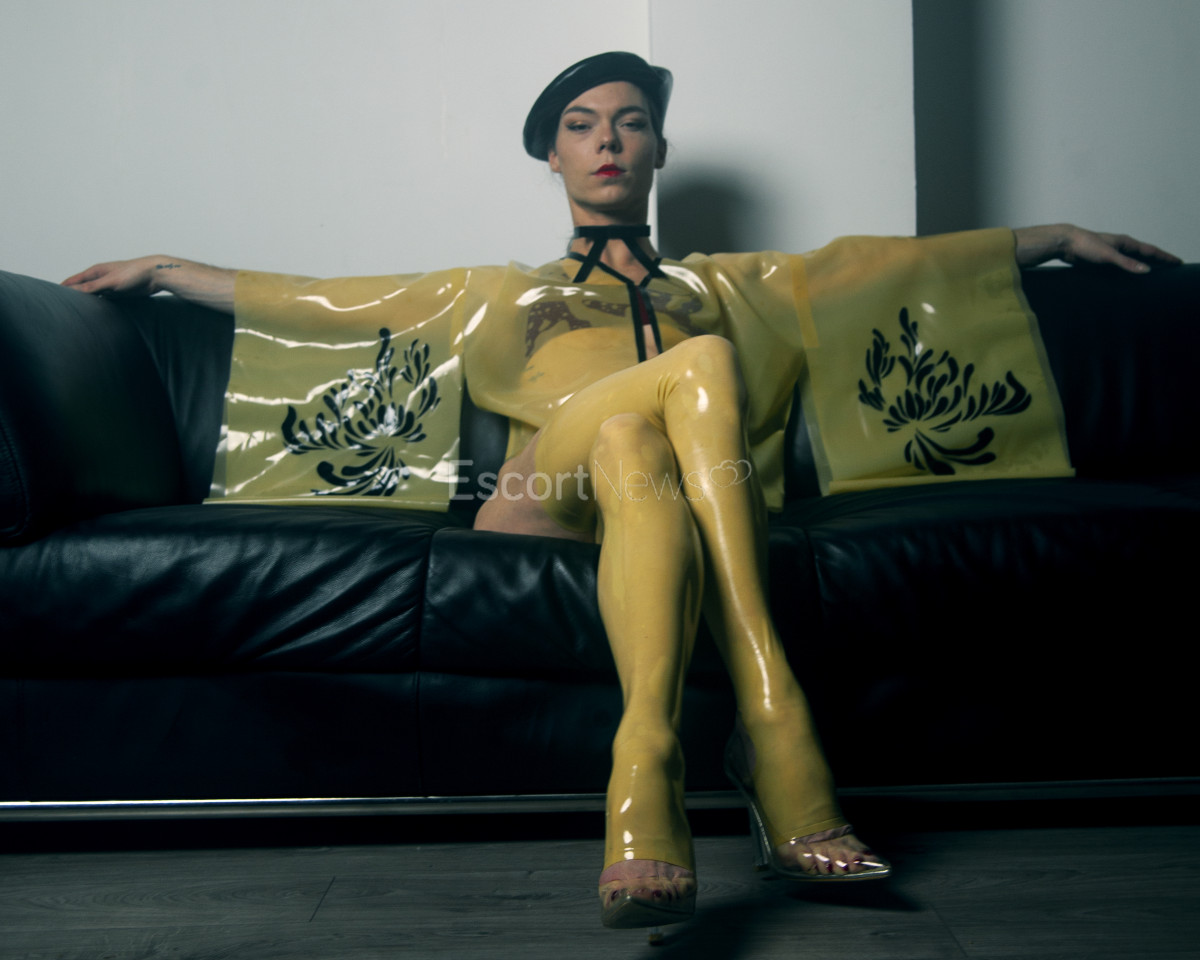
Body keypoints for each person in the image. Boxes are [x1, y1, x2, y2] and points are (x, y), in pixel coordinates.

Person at [62, 52, 1181, 932]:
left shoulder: (730, 285)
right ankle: (775, 724)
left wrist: (1052, 239)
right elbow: (330, 302)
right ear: (551, 157)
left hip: (668, 485)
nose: (608, 141)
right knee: (693, 373)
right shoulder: (496, 292)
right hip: (543, 497)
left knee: (642, 436)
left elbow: (887, 265)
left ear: (658, 150)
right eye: (582, 125)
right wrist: (166, 270)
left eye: (631, 122)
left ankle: (643, 760)